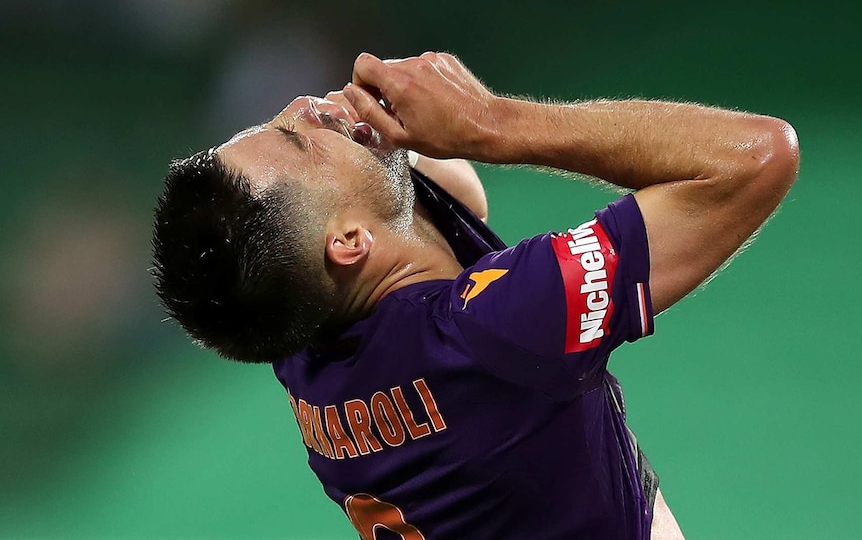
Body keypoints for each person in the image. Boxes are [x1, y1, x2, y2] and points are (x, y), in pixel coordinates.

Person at [152, 52, 799, 539]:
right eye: (299, 138)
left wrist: (356, 135)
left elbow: (446, 192)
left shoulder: (297, 326)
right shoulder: (493, 329)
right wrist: (493, 123)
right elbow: (756, 157)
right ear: (349, 242)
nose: (304, 104)